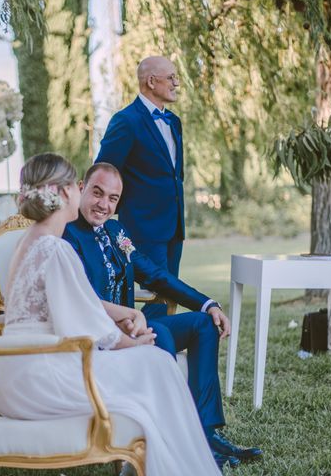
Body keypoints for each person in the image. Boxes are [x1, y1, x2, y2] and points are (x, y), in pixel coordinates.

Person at [0, 153, 221, 475]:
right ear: (67, 191)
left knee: (155, 359)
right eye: (83, 188)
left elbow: (79, 306)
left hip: (23, 370)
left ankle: (175, 445)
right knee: (156, 362)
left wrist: (131, 326)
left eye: (113, 198)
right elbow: (81, 320)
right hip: (38, 377)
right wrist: (131, 343)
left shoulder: (36, 242)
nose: (102, 203)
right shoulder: (55, 247)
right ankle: (155, 457)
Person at [63, 162, 263, 469]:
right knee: (163, 334)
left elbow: (155, 275)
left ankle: (206, 436)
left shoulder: (116, 231)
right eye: (97, 193)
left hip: (135, 326)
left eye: (113, 198)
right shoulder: (68, 234)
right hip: (103, 336)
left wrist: (207, 303)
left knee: (202, 325)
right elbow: (80, 299)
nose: (104, 204)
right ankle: (171, 437)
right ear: (81, 188)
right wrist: (126, 320)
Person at [96, 56, 185, 318]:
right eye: (171, 77)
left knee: (170, 294)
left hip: (174, 227)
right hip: (144, 227)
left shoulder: (175, 122)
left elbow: (174, 175)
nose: (176, 83)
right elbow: (105, 171)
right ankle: (145, 346)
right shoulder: (126, 120)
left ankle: (158, 344)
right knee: (156, 293)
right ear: (151, 81)